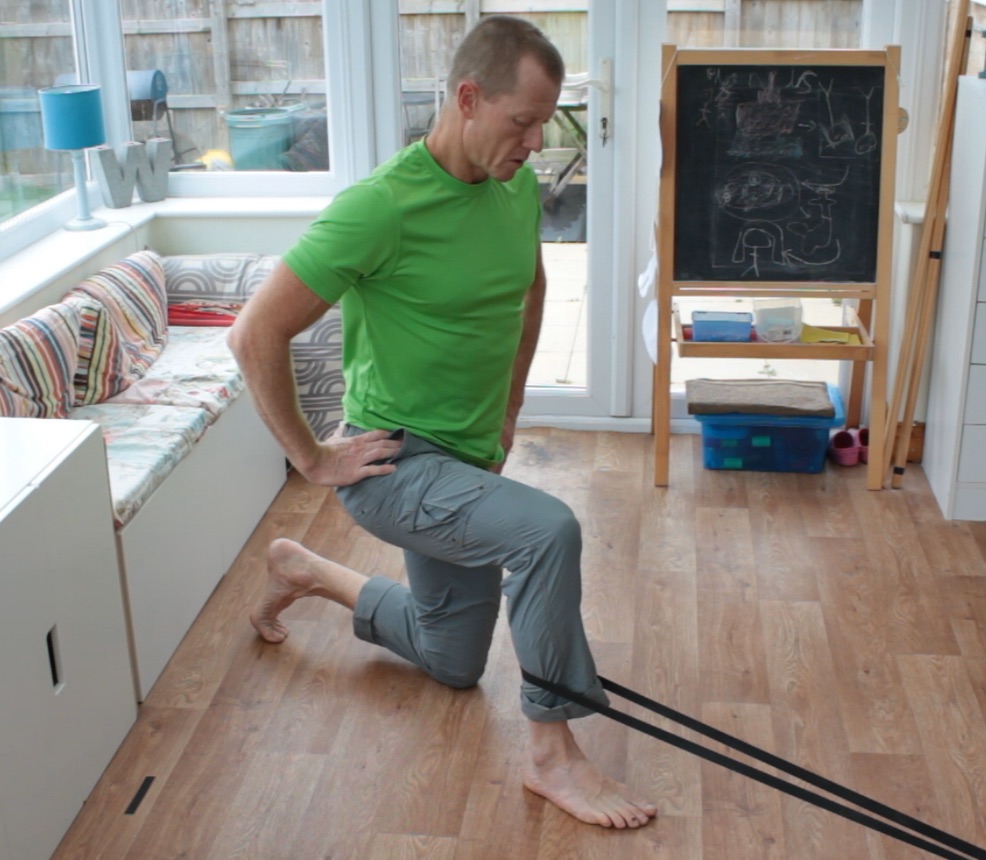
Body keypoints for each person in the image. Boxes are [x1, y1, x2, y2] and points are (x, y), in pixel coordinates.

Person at [228, 15, 656, 831]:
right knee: (547, 532)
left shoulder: (513, 185)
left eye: (545, 122)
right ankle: (552, 755)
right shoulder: (381, 207)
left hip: (467, 457)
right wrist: (312, 459)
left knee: (452, 661)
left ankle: (306, 571)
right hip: (397, 465)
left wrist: (511, 407)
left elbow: (529, 289)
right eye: (522, 121)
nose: (535, 143)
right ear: (467, 98)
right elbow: (255, 334)